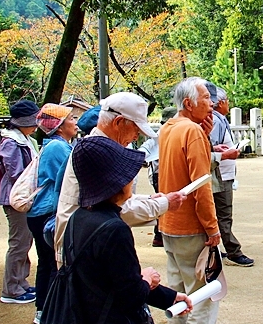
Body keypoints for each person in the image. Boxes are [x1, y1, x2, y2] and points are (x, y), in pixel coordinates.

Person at [67, 136, 192, 324]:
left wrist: (169, 297)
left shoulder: (79, 218)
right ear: (116, 182)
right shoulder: (115, 229)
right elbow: (130, 294)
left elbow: (116, 279)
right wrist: (146, 279)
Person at [54, 92, 185, 269]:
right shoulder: (99, 152)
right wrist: (163, 204)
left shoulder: (96, 146)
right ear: (118, 122)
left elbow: (117, 202)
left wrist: (150, 200)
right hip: (84, 249)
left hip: (83, 243)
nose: (136, 136)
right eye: (136, 129)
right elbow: (115, 208)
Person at [158, 77, 227, 324]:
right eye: (206, 99)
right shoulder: (192, 132)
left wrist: (204, 135)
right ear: (189, 103)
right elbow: (201, 186)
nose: (212, 104)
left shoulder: (169, 128)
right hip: (191, 226)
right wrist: (212, 228)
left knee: (178, 289)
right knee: (204, 291)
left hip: (169, 223)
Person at [27, 103, 78, 324]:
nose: (75, 123)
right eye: (71, 119)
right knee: (52, 262)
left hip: (41, 212)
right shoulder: (58, 148)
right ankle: (46, 310)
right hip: (47, 212)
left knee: (47, 261)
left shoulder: (56, 145)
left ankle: (43, 309)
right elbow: (71, 178)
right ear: (59, 126)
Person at [207, 85, 254, 267]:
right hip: (219, 174)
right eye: (227, 101)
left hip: (223, 173)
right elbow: (208, 149)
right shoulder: (215, 120)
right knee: (223, 214)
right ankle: (233, 251)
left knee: (219, 214)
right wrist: (223, 153)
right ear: (220, 103)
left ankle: (216, 249)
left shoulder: (219, 120)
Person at [0, 99, 40, 304]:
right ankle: (11, 289)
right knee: (18, 243)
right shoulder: (11, 142)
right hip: (16, 198)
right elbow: (16, 173)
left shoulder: (23, 139)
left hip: (23, 197)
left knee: (25, 242)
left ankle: (20, 282)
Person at [138, 106, 179, 247]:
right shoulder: (164, 132)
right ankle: (160, 234)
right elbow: (147, 147)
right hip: (160, 173)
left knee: (165, 202)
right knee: (166, 202)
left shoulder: (164, 131)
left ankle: (160, 234)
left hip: (158, 173)